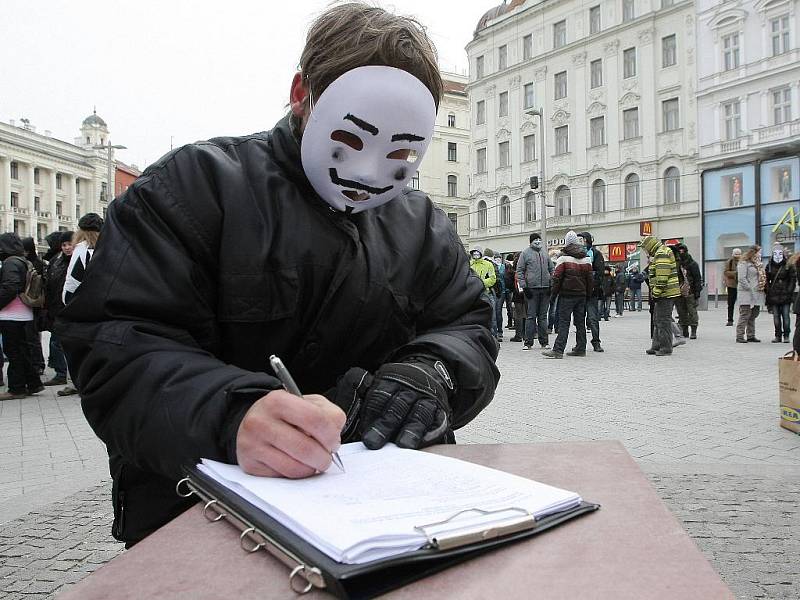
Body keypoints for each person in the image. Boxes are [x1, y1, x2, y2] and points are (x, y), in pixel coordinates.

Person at [57, 2, 499, 547]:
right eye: (351, 140)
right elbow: (116, 344)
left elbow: (467, 327)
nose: (367, 174)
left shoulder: (422, 224)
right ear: (301, 96)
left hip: (382, 520)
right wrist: (230, 413)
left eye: (401, 154)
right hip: (201, 510)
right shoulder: (193, 188)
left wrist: (433, 374)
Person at [0, 233, 44, 400]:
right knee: (23, 350)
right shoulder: (24, 261)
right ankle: (34, 383)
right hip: (23, 313)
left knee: (13, 352)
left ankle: (16, 388)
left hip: (11, 314)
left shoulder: (10, 262)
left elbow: (10, 287)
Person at [542, 231, 593, 359]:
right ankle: (581, 348)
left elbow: (557, 278)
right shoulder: (586, 259)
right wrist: (588, 294)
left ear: (566, 242)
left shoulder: (562, 259)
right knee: (580, 322)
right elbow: (590, 279)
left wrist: (553, 294)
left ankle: (558, 350)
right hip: (581, 295)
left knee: (564, 322)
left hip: (566, 295)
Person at [42, 231, 74, 386]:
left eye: (70, 244)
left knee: (63, 343)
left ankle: (67, 374)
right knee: (56, 342)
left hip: (71, 308)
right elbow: (50, 286)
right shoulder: (56, 260)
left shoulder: (79, 259)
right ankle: (61, 373)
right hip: (57, 308)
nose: (67, 247)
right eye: (64, 245)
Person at [641, 236, 680, 356]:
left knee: (663, 321)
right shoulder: (660, 252)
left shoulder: (661, 253)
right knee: (657, 319)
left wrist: (656, 292)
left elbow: (662, 277)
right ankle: (656, 345)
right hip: (664, 293)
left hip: (665, 293)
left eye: (645, 249)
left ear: (650, 246)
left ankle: (666, 348)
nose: (645, 251)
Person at [516, 233, 553, 350]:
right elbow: (520, 271)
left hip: (545, 288)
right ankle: (528, 342)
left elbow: (552, 269)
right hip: (531, 289)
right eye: (535, 240)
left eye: (539, 239)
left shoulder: (544, 253)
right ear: (531, 241)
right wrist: (524, 287)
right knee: (531, 316)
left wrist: (551, 284)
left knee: (543, 317)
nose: (537, 242)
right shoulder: (525, 253)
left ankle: (544, 342)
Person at [21, 237, 46, 375]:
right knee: (33, 336)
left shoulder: (34, 264)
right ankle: (37, 363)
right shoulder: (35, 263)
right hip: (32, 304)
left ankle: (38, 364)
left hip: (33, 303)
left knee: (32, 336)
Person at [578, 231, 604, 352]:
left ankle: (596, 342)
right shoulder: (577, 254)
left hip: (591, 292)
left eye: (582, 240)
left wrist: (593, 285)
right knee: (579, 319)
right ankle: (580, 344)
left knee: (593, 318)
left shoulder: (596, 254)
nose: (580, 242)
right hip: (579, 292)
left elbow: (599, 273)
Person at [736, 245, 766, 343]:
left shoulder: (758, 264)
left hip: (757, 292)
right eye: (759, 252)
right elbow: (741, 278)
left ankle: (751, 335)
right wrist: (749, 288)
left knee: (754, 314)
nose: (760, 254)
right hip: (746, 293)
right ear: (753, 252)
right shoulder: (744, 263)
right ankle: (740, 336)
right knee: (745, 314)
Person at [673, 244, 703, 340]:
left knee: (692, 311)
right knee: (681, 312)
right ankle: (684, 329)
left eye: (682, 250)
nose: (681, 253)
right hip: (678, 291)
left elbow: (698, 279)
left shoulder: (692, 264)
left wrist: (697, 292)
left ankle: (693, 330)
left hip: (691, 291)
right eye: (679, 251)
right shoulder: (675, 263)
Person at [765, 244, 793, 344]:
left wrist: (789, 290)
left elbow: (792, 278)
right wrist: (768, 290)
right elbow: (766, 279)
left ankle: (786, 335)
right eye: (775, 253)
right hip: (774, 294)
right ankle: (777, 335)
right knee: (776, 316)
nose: (777, 256)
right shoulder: (769, 266)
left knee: (786, 316)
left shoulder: (788, 265)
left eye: (780, 253)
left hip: (785, 293)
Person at [470, 246, 498, 341]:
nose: (476, 255)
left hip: (486, 292)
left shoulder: (488, 264)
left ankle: (493, 336)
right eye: (474, 253)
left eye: (478, 253)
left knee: (491, 316)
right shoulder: (469, 265)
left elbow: (492, 278)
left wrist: (480, 282)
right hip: (473, 294)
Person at [510, 252, 526, 342]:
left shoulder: (515, 270)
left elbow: (511, 283)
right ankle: (526, 334)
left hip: (518, 295)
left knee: (518, 315)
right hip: (527, 294)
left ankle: (518, 335)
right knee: (526, 315)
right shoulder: (527, 266)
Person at [723, 248, 742, 326]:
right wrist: (735, 273)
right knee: (731, 303)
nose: (737, 255)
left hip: (741, 285)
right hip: (732, 285)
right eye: (736, 254)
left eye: (738, 254)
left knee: (743, 303)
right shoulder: (729, 262)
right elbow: (726, 272)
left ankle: (743, 319)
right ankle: (730, 319)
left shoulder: (743, 261)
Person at [503, 253, 515, 331]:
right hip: (510, 290)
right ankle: (511, 322)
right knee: (510, 307)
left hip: (510, 290)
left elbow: (508, 278)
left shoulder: (509, 267)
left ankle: (512, 322)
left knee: (511, 307)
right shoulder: (508, 267)